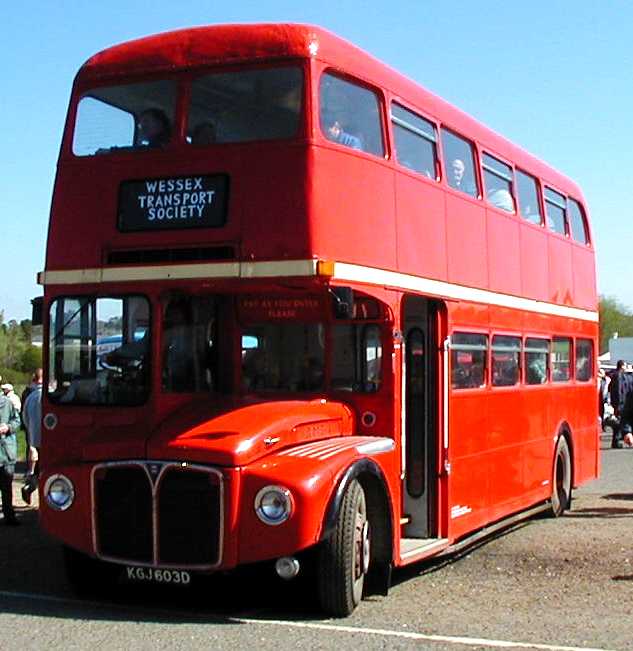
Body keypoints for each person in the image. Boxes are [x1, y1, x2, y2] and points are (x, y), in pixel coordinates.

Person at [21, 371, 43, 505]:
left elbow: (24, 417)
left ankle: (29, 486)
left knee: (36, 466)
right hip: (50, 438)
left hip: (33, 437)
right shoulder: (51, 395)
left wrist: (30, 432)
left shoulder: (30, 396)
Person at [0, 384, 21, 525]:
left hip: (6, 451)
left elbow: (17, 421)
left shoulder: (7, 403)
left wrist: (8, 427)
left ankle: (9, 515)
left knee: (7, 485)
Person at [608, 360, 632, 448]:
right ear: (622, 366)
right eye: (625, 366)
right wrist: (619, 403)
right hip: (621, 403)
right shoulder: (619, 376)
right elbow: (619, 390)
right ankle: (616, 441)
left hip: (619, 402)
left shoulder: (617, 375)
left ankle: (618, 440)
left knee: (619, 421)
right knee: (619, 421)